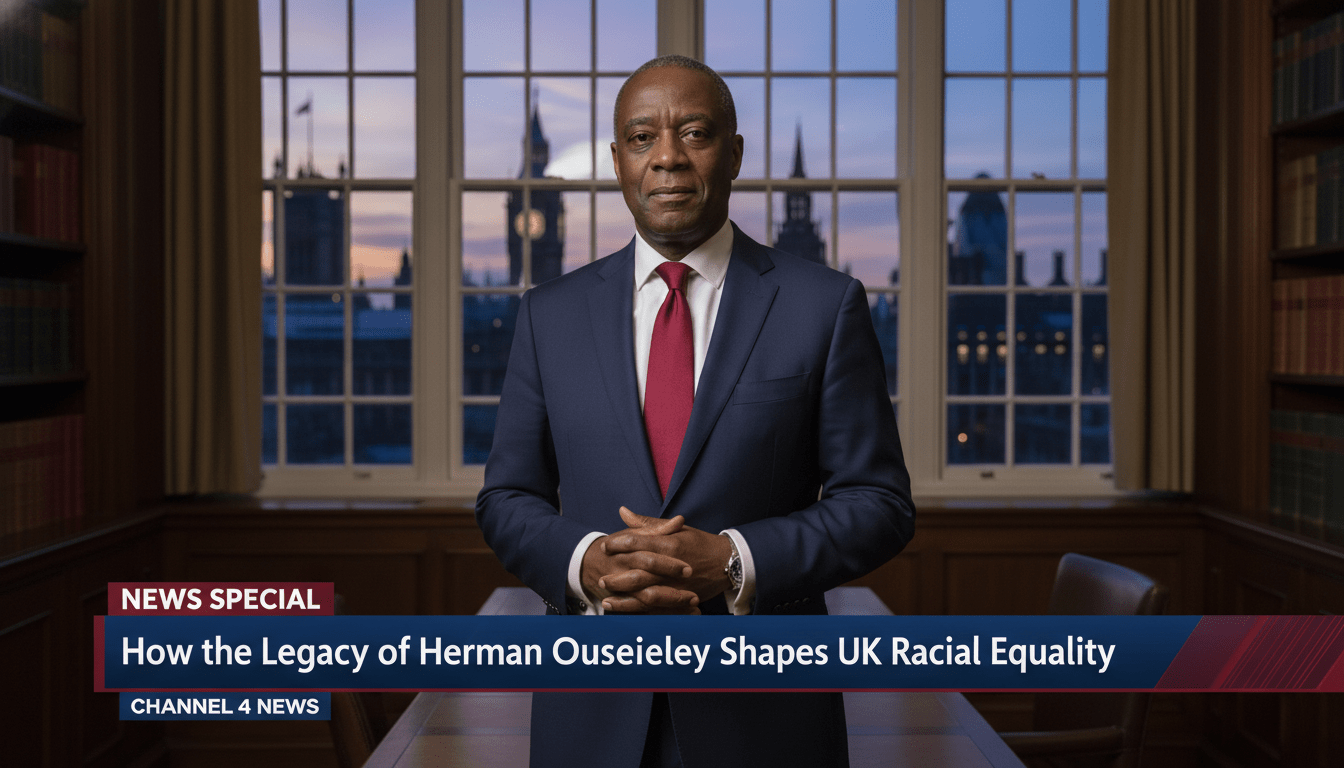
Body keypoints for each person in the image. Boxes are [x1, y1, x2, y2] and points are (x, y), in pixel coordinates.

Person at [476, 54, 915, 768]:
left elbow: (880, 504)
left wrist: (735, 561)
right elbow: (505, 498)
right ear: (618, 161)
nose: (669, 158)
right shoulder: (548, 316)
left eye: (695, 132)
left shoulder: (823, 306)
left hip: (767, 719)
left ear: (734, 154)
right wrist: (586, 563)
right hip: (589, 714)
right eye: (643, 138)